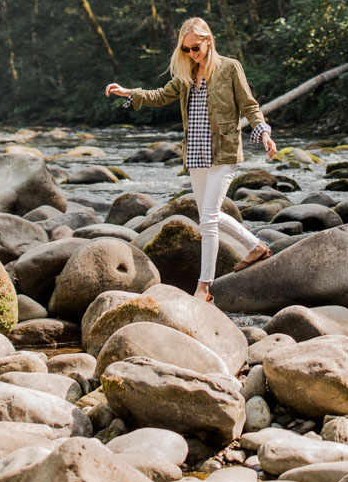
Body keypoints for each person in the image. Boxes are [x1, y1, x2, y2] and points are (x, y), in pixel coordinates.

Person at [106, 16, 277, 303]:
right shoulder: (186, 75)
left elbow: (249, 106)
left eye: (195, 47)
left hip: (223, 153)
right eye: (186, 50)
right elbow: (161, 96)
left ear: (208, 40)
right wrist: (130, 93)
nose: (191, 54)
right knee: (210, 216)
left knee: (207, 220)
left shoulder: (230, 68)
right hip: (196, 155)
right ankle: (256, 246)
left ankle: (203, 287)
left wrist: (264, 134)